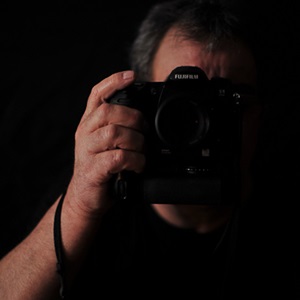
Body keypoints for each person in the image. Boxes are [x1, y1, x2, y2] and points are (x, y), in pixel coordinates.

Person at [0, 0, 298, 299]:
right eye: (179, 104)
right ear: (142, 105)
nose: (203, 124)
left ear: (260, 112)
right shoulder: (100, 192)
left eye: (227, 104)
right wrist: (79, 206)